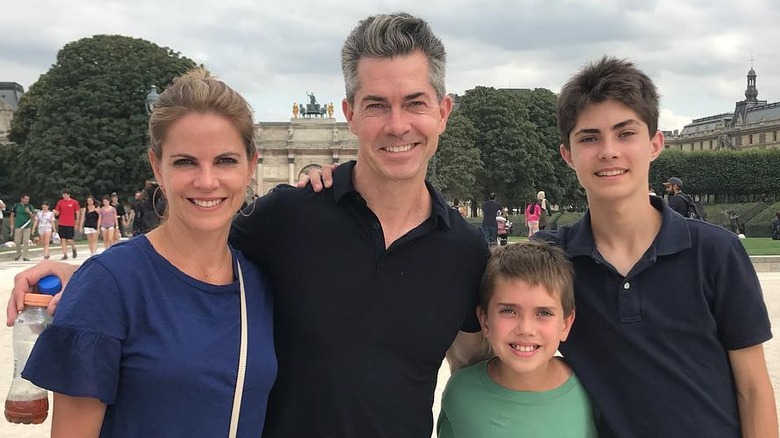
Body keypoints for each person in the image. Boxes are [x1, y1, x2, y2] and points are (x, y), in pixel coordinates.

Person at [12, 13, 488, 438]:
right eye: (377, 104)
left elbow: (487, 361)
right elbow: (183, 256)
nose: (397, 124)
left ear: (443, 112)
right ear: (349, 116)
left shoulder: (466, 251)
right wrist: (94, 277)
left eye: (415, 103)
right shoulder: (289, 215)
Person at [20, 68, 276, 437]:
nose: (207, 181)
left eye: (225, 160)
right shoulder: (107, 285)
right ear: (157, 166)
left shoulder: (259, 282)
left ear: (251, 165)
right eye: (185, 161)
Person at [535, 56, 776, 437]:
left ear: (655, 144)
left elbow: (753, 390)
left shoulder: (717, 253)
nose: (608, 150)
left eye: (625, 133)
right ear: (568, 154)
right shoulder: (548, 261)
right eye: (589, 137)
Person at [438, 241, 597, 438]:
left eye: (544, 313)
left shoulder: (590, 390)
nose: (526, 329)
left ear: (565, 324)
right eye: (509, 311)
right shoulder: (460, 393)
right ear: (485, 321)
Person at [53, 188, 81, 260]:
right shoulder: (60, 202)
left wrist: (77, 222)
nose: (64, 196)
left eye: (65, 194)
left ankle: (73, 248)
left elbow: (77, 213)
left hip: (70, 223)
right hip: (62, 222)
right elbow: (58, 212)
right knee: (62, 238)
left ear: (69, 194)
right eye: (63, 194)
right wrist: (55, 212)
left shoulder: (74, 202)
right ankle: (65, 254)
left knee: (69, 239)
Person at [10, 194, 34, 261]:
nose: (27, 200)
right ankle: (18, 253)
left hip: (27, 226)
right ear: (22, 199)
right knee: (17, 241)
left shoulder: (30, 206)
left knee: (26, 241)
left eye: (28, 199)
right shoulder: (16, 206)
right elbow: (12, 215)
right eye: (26, 199)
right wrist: (11, 224)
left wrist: (29, 212)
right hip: (18, 226)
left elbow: (33, 217)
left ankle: (25, 256)